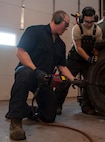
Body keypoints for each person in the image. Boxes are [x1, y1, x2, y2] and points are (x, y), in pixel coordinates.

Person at [5, 10, 75, 140]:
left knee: (49, 116)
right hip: (29, 73)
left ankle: (26, 110)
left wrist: (74, 79)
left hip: (44, 80)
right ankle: (15, 120)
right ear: (58, 20)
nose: (66, 28)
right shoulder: (34, 31)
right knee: (24, 73)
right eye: (66, 24)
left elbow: (62, 66)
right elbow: (21, 52)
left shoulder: (60, 45)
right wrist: (36, 70)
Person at [55, 6, 102, 115]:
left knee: (89, 82)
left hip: (88, 60)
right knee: (64, 80)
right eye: (86, 22)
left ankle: (86, 106)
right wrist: (89, 59)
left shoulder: (98, 30)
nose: (89, 24)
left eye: (91, 22)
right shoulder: (77, 28)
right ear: (82, 19)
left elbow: (96, 47)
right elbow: (78, 48)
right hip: (75, 58)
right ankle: (56, 105)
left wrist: (95, 58)